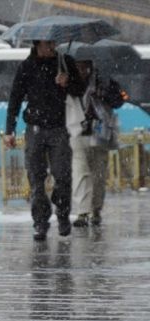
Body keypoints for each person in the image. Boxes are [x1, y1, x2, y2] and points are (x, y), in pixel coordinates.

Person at [4, 40, 86, 241]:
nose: (51, 47)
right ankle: (40, 222)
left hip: (59, 128)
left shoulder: (64, 62)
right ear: (37, 45)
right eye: (47, 44)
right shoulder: (27, 66)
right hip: (35, 129)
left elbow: (80, 89)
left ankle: (63, 212)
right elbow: (15, 98)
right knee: (36, 178)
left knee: (63, 175)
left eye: (53, 43)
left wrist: (68, 82)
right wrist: (9, 130)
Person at [67, 60, 124, 227]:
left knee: (98, 175)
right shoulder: (70, 81)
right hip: (77, 131)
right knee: (80, 173)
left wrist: (104, 93)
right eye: (78, 66)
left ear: (90, 65)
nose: (81, 69)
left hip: (100, 133)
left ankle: (96, 208)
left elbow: (119, 101)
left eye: (84, 65)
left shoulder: (104, 80)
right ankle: (82, 212)